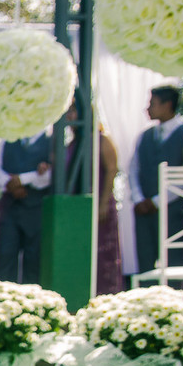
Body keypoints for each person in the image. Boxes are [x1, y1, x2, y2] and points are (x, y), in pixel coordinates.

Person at [130, 84, 183, 274]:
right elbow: (133, 169)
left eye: (152, 103)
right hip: (143, 209)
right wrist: (139, 199)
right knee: (145, 263)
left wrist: (157, 201)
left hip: (173, 210)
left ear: (167, 104)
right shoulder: (144, 136)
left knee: (173, 263)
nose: (148, 108)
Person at [63, 99, 123, 294]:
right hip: (77, 208)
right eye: (68, 112)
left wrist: (103, 202)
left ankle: (106, 294)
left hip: (100, 205)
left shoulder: (101, 139)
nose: (70, 116)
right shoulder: (72, 143)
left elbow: (112, 169)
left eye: (73, 111)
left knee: (102, 255)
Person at [0, 129, 53, 284]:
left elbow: (51, 174)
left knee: (34, 258)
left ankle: (32, 300)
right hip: (9, 207)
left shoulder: (50, 140)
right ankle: (3, 298)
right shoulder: (8, 137)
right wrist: (10, 184)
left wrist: (23, 179)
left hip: (36, 208)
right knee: (5, 254)